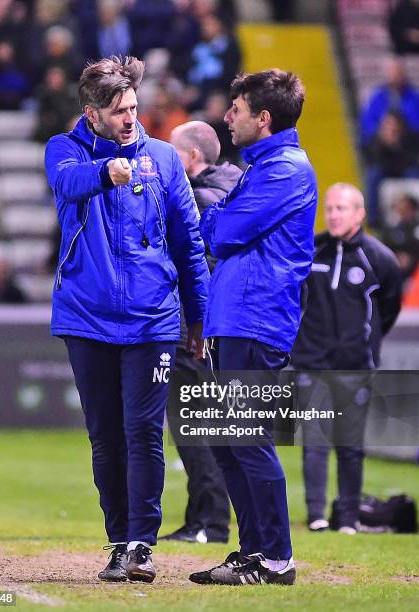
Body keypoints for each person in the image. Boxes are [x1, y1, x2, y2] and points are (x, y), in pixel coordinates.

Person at [44, 56, 208, 584]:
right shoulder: (64, 150)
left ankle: (141, 546)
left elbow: (188, 243)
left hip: (153, 320)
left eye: (133, 108)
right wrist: (104, 171)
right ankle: (118, 541)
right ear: (92, 114)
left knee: (143, 433)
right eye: (118, 112)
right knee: (105, 438)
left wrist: (198, 316)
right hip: (86, 317)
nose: (129, 119)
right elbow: (68, 184)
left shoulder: (162, 158)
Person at [189, 69, 317, 586]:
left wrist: (218, 217)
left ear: (263, 119)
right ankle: (252, 550)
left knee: (246, 437)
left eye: (236, 110)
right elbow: (222, 227)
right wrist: (221, 218)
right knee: (224, 439)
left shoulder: (285, 168)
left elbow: (223, 232)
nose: (227, 118)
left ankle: (277, 557)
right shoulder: (261, 167)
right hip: (233, 316)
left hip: (256, 317)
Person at [291, 183, 401, 533]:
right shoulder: (311, 250)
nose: (334, 214)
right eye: (330, 208)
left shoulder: (379, 258)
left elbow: (388, 309)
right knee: (315, 442)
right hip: (311, 364)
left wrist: (364, 344)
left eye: (341, 208)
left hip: (355, 367)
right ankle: (316, 516)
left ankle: (350, 518)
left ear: (360, 214)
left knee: (351, 445)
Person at [160, 120, 241, 544]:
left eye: (173, 153)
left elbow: (197, 267)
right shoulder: (236, 188)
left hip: (196, 330)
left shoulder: (198, 199)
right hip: (218, 329)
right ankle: (200, 519)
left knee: (196, 428)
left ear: (191, 158)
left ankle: (210, 523)